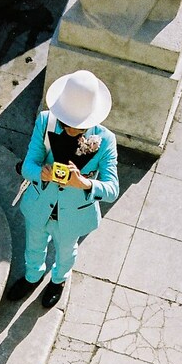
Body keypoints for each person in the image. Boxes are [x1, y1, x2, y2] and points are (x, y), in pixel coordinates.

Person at [7, 69, 119, 309]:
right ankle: (32, 277)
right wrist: (41, 173)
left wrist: (86, 183)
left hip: (74, 213)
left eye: (79, 126)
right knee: (34, 245)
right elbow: (28, 165)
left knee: (66, 252)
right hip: (40, 203)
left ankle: (58, 281)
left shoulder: (106, 140)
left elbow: (112, 189)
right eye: (67, 122)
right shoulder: (45, 121)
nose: (70, 129)